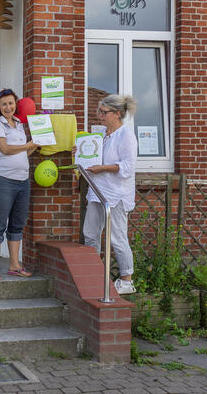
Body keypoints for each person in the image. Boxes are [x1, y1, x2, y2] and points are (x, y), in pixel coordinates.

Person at [82, 94, 138, 294]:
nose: (100, 116)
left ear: (117, 113)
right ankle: (94, 275)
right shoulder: (100, 134)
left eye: (104, 112)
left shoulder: (126, 136)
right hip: (97, 192)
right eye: (100, 111)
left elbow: (128, 167)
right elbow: (91, 156)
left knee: (117, 238)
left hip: (116, 195)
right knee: (90, 235)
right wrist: (80, 152)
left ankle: (126, 280)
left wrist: (103, 168)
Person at [0, 88, 39, 281]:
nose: (8, 107)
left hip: (22, 181)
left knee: (17, 225)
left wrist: (35, 145)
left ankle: (15, 266)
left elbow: (23, 154)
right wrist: (28, 144)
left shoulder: (18, 125)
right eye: (4, 104)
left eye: (10, 103)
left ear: (15, 104)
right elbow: (6, 149)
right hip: (3, 180)